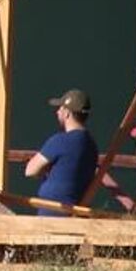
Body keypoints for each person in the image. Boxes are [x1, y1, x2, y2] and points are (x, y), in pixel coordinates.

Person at [26, 88, 99, 216]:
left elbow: (30, 171)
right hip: (76, 213)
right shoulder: (91, 145)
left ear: (67, 113)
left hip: (52, 213)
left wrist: (44, 171)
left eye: (60, 108)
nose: (57, 112)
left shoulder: (60, 140)